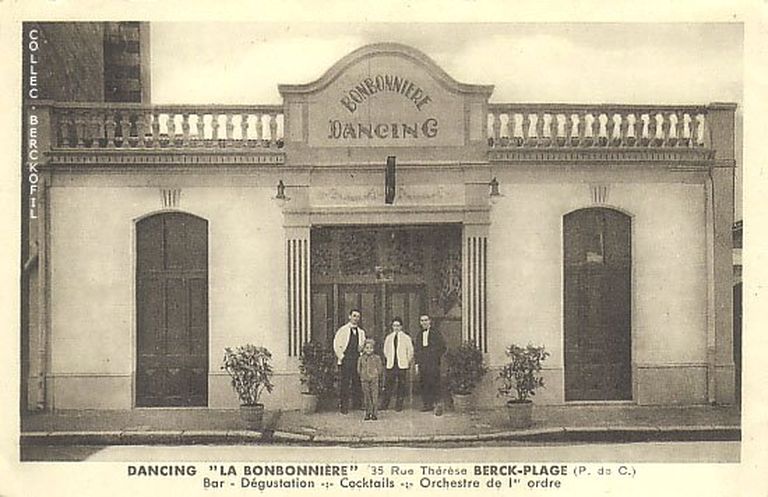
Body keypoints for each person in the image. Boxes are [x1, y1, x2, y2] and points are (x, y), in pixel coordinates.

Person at [333, 309, 366, 414]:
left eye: (358, 317)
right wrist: (342, 357)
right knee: (345, 383)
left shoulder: (361, 332)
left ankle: (357, 404)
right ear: (349, 317)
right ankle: (344, 407)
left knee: (357, 382)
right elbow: (336, 344)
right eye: (354, 316)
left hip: (357, 359)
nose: (356, 319)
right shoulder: (342, 330)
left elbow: (363, 346)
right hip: (346, 359)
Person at [414, 314, 446, 414]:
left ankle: (437, 404)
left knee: (434, 382)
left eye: (426, 320)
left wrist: (435, 356)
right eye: (422, 320)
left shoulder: (435, 333)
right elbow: (417, 350)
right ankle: (427, 404)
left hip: (433, 362)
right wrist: (417, 363)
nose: (424, 322)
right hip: (423, 362)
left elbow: (443, 346)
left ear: (430, 321)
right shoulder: (419, 334)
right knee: (424, 383)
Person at [380, 317, 414, 412]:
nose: (396, 327)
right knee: (388, 385)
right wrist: (390, 359)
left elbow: (410, 351)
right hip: (391, 364)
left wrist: (406, 361)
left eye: (398, 325)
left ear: (401, 326)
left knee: (401, 385)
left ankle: (399, 405)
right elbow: (385, 350)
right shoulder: (389, 337)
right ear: (392, 326)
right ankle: (385, 404)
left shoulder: (406, 338)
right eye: (394, 325)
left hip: (402, 365)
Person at [357, 338, 384, 421]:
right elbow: (358, 369)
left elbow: (380, 369)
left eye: (371, 348)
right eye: (367, 348)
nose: (369, 350)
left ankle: (374, 413)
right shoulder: (361, 358)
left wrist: (375, 374)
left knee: (374, 396)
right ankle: (367, 413)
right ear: (364, 349)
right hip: (364, 379)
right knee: (366, 396)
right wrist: (362, 375)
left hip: (374, 379)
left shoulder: (377, 358)